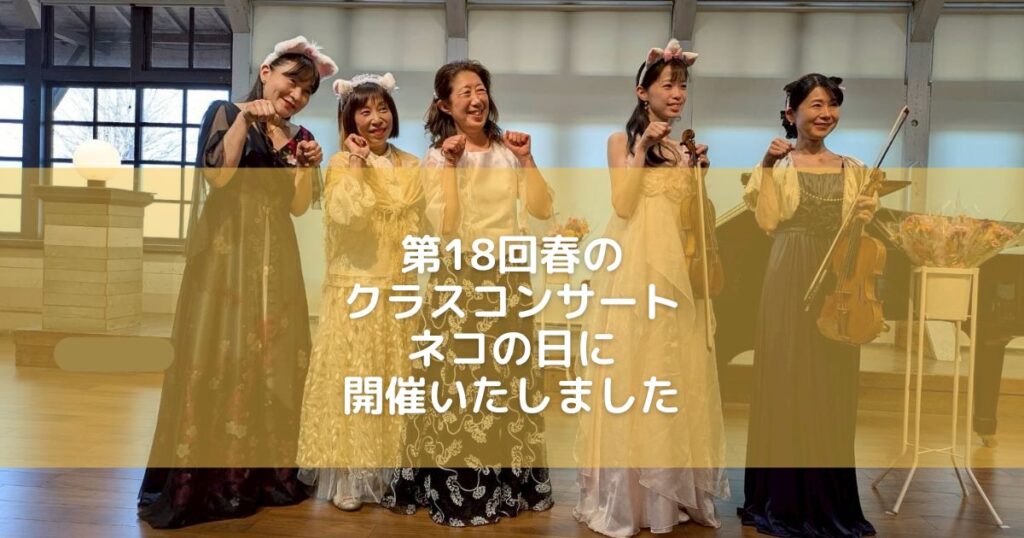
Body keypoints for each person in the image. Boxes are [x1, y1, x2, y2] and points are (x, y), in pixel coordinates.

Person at [137, 35, 335, 529]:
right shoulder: (226, 112)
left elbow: (297, 206)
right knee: (221, 353)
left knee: (274, 355)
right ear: (266, 72)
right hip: (227, 255)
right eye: (292, 81)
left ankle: (267, 476)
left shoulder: (299, 134)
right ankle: (213, 478)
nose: (297, 94)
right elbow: (219, 178)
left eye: (307, 90)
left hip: (276, 256)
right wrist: (246, 118)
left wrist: (307, 166)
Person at [381, 59, 555, 527]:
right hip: (460, 284)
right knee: (460, 389)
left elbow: (541, 208)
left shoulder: (507, 150)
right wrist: (452, 167)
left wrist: (527, 159)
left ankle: (510, 486)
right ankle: (458, 489)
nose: (477, 100)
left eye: (481, 90)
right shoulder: (437, 158)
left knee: (507, 385)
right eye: (465, 93)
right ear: (445, 105)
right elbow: (447, 226)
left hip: (509, 283)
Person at [573, 38, 730, 537]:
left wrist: (698, 174)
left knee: (671, 368)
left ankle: (668, 496)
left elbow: (690, 218)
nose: (677, 93)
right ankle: (629, 499)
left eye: (682, 86)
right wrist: (642, 149)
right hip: (636, 264)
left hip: (675, 267)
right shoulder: (620, 141)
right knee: (633, 369)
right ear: (643, 92)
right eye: (668, 85)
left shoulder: (682, 148)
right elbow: (623, 204)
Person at [738, 73, 878, 537]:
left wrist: (863, 216)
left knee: (831, 385)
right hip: (789, 274)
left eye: (832, 105)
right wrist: (765, 163)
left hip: (839, 282)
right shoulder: (778, 166)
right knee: (787, 381)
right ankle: (781, 499)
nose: (825, 114)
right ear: (791, 113)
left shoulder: (855, 168)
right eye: (816, 105)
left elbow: (859, 234)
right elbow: (766, 221)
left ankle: (829, 500)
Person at [297, 72, 424, 512]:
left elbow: (426, 222)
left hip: (398, 289)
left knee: (393, 380)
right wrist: (356, 163)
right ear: (349, 119)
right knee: (355, 379)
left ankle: (385, 474)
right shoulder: (339, 163)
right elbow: (348, 216)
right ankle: (350, 475)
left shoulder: (412, 164)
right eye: (365, 111)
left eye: (383, 109)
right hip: (355, 287)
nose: (376, 118)